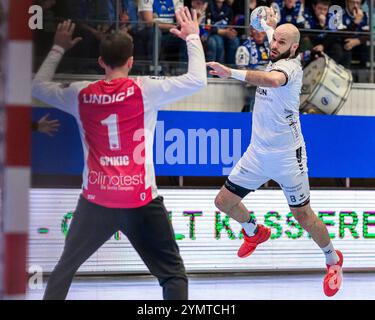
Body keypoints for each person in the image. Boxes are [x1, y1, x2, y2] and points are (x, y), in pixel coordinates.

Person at [32, 8, 207, 300]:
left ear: (101, 61)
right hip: (140, 201)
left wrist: (58, 47)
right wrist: (192, 37)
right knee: (172, 275)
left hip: (96, 202)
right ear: (131, 61)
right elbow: (198, 80)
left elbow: (38, 86)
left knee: (64, 270)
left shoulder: (80, 93)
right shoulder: (146, 90)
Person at [207, 7, 343, 297]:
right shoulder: (278, 48)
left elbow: (270, 80)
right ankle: (255, 231)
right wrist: (267, 23)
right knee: (223, 202)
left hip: (287, 158)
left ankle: (332, 259)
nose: (273, 43)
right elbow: (273, 32)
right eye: (273, 39)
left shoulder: (290, 68)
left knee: (304, 216)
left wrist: (229, 72)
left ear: (293, 48)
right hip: (257, 153)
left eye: (280, 42)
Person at [206, 0, 240, 66]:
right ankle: (218, 71)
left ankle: (231, 69)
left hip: (225, 34)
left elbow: (230, 25)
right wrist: (221, 31)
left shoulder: (228, 8)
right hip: (212, 34)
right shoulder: (208, 6)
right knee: (218, 40)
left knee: (235, 40)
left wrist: (231, 32)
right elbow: (207, 26)